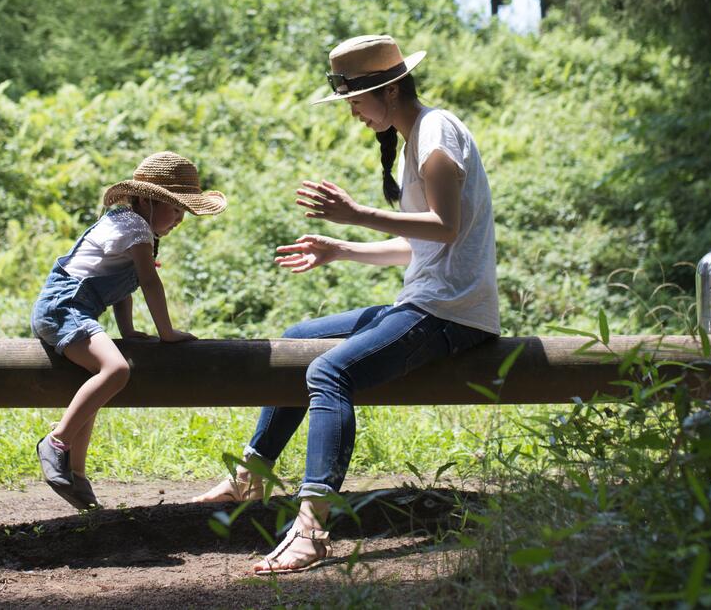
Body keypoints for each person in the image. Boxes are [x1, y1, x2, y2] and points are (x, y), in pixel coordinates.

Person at [191, 34, 501, 574]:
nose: (353, 113)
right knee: (299, 337)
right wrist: (341, 250)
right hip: (428, 302)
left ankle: (311, 528)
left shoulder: (435, 132)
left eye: (354, 101)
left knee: (329, 372)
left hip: (451, 314)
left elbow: (447, 228)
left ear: (386, 89)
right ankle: (251, 475)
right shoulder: (417, 138)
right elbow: (419, 243)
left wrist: (356, 214)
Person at [32, 151, 225, 510]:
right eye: (176, 209)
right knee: (117, 369)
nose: (180, 220)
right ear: (148, 201)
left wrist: (129, 330)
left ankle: (76, 476)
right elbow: (149, 282)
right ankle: (56, 442)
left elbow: (122, 286)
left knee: (95, 387)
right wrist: (166, 333)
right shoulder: (135, 227)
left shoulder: (130, 224)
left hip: (70, 307)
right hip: (64, 307)